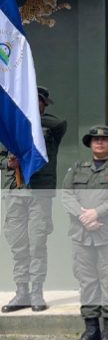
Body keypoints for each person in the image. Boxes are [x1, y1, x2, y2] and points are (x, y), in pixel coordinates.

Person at [62, 126, 108, 340]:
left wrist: (98, 212)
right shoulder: (77, 168)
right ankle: (91, 329)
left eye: (104, 140)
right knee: (87, 281)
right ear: (90, 144)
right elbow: (66, 194)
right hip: (83, 233)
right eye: (95, 140)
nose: (100, 143)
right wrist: (84, 216)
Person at [1, 86, 67, 313]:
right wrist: (7, 163)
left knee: (37, 244)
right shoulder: (8, 128)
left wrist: (29, 116)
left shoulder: (51, 128)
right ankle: (22, 292)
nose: (34, 103)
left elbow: (59, 123)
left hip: (39, 191)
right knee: (18, 245)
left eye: (38, 101)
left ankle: (37, 292)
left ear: (44, 105)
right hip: (15, 191)